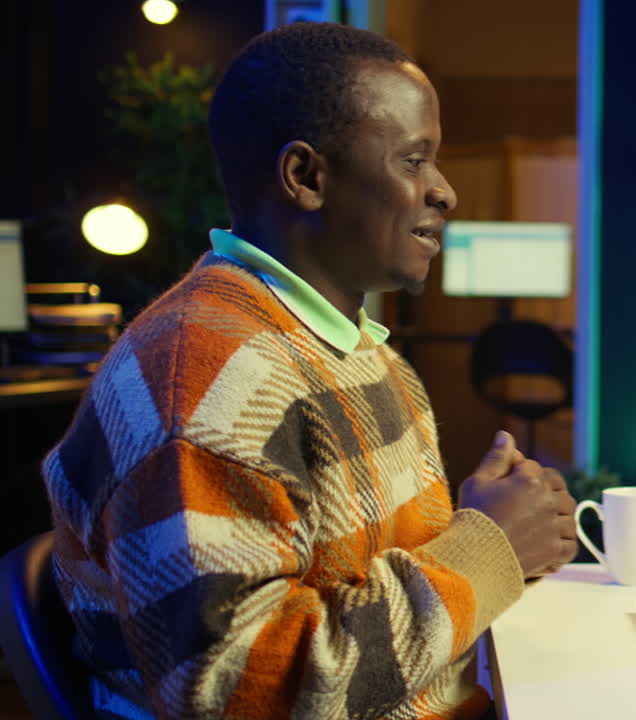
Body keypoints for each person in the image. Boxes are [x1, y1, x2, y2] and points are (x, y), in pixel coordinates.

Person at [40, 22, 577, 719]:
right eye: (413, 161)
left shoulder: (359, 352)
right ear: (307, 177)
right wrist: (488, 547)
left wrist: (502, 537)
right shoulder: (205, 380)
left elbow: (390, 590)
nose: (444, 192)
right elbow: (237, 692)